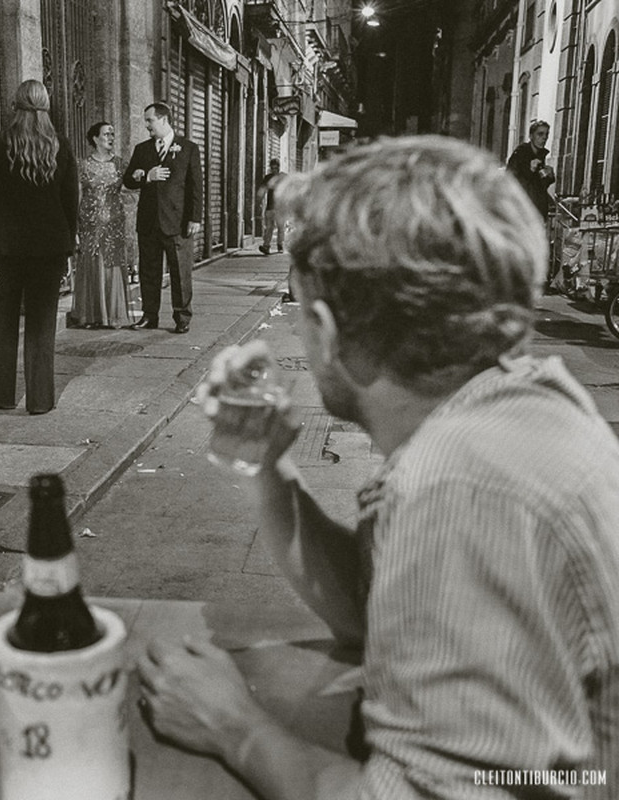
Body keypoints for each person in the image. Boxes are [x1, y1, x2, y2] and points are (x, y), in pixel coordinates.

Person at [138, 136, 619, 799]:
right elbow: (371, 612)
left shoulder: (461, 488)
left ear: (329, 331)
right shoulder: (512, 406)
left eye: (298, 307)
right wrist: (271, 466)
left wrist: (234, 726)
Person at [0, 79, 78, 415]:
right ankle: (40, 400)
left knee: (0, 325)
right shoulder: (60, 146)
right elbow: (69, 203)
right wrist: (68, 249)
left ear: (14, 104)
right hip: (49, 249)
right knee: (42, 326)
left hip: (3, 249)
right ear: (46, 105)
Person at [122, 102, 203, 334]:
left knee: (180, 273)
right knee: (149, 272)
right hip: (149, 223)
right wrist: (146, 177)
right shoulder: (142, 149)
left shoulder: (188, 148)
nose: (147, 125)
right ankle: (149, 316)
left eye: (150, 120)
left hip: (177, 223)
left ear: (164, 119)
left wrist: (195, 218)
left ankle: (182, 317)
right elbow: (128, 180)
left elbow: (196, 186)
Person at [71, 120, 133, 329]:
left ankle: (113, 316)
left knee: (112, 266)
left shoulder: (121, 164)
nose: (111, 138)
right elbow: (78, 195)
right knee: (92, 265)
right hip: (90, 224)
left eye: (112, 134)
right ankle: (91, 316)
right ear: (95, 139)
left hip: (114, 224)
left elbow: (131, 190)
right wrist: (75, 226)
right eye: (106, 134)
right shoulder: (83, 165)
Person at [506, 119, 556, 219]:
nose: (544, 138)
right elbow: (510, 182)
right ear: (531, 136)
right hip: (522, 213)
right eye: (540, 134)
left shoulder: (540, 155)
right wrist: (530, 170)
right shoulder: (520, 154)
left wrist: (550, 177)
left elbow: (539, 187)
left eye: (546, 134)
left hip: (537, 212)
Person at [256, 157, 285, 256]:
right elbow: (262, 191)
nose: (274, 170)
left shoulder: (283, 177)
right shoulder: (268, 178)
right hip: (270, 207)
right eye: (272, 168)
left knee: (281, 228)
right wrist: (259, 203)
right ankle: (266, 246)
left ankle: (280, 245)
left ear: (279, 168)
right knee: (269, 227)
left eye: (276, 168)